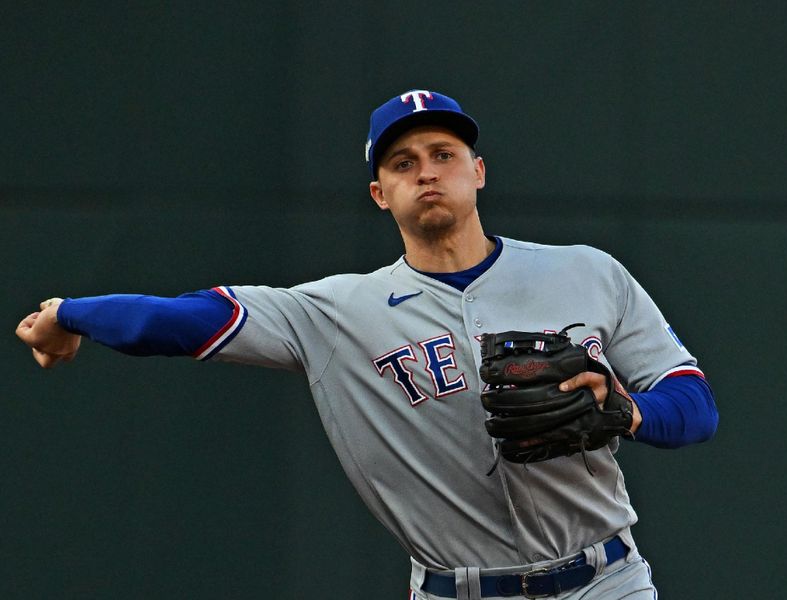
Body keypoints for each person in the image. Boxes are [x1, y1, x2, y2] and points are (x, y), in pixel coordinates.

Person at [16, 89, 718, 599]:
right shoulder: (336, 312)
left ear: (478, 170)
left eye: (444, 154)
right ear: (381, 193)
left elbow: (693, 402)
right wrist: (68, 312)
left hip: (606, 582)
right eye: (405, 162)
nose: (428, 171)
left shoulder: (586, 271)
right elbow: (185, 320)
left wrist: (630, 414)